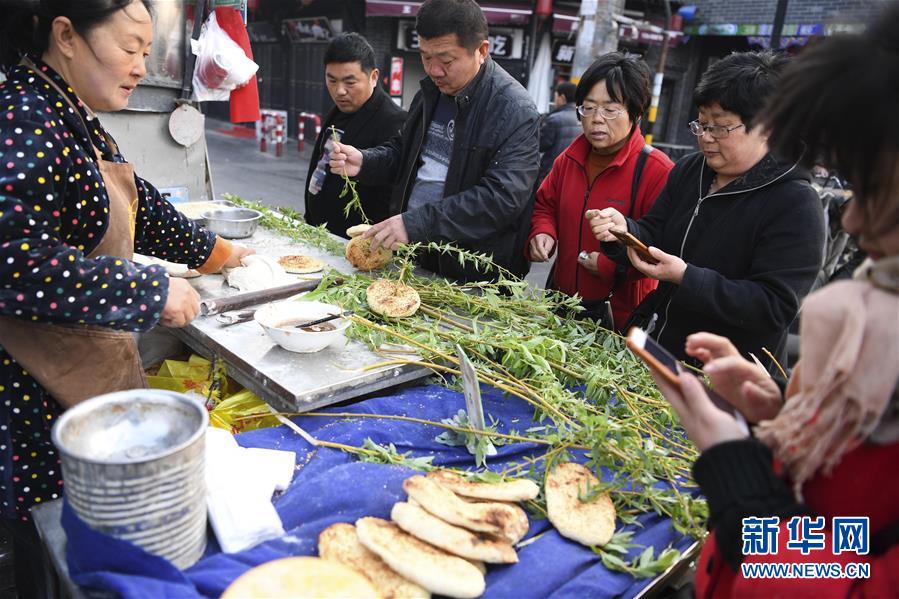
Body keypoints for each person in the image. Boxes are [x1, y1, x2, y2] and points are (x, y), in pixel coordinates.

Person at [0, 2, 251, 595]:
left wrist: (217, 252)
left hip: (76, 378)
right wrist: (147, 289)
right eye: (130, 47)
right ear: (66, 36)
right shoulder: (26, 117)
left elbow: (138, 203)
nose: (140, 66)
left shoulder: (71, 114)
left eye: (147, 52)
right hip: (33, 398)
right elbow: (13, 257)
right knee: (54, 551)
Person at [648, 5, 899, 595]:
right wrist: (783, 415)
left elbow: (846, 570)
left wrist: (738, 474)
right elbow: (841, 524)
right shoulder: (869, 344)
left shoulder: (794, 204)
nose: (853, 223)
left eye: (877, 192)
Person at [589, 51, 825, 369]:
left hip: (726, 374)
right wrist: (624, 232)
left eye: (721, 128)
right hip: (658, 346)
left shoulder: (796, 204)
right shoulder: (691, 170)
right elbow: (656, 233)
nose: (706, 138)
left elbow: (774, 307)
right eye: (701, 124)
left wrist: (687, 278)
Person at [329, 0, 540, 281]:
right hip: (417, 254)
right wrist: (366, 162)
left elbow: (501, 199)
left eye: (446, 60)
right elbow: (404, 153)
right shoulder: (430, 93)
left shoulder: (515, 110)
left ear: (481, 51)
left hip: (472, 274)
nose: (433, 70)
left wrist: (416, 224)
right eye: (426, 57)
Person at [528, 54, 673, 330]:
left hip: (619, 319)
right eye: (589, 107)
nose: (596, 119)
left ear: (636, 114)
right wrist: (543, 231)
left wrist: (610, 265)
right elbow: (545, 204)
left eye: (610, 109)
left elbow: (661, 247)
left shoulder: (656, 170)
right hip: (561, 305)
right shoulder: (568, 160)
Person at [304, 33, 406, 238]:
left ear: (373, 77)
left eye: (349, 82)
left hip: (353, 244)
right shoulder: (338, 111)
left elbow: (389, 197)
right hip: (318, 233)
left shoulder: (394, 121)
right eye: (332, 80)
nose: (339, 91)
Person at [536, 80, 580, 187]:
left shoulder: (554, 119)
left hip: (550, 171)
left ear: (562, 97)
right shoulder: (581, 118)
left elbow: (540, 145)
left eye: (556, 96)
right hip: (571, 172)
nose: (554, 100)